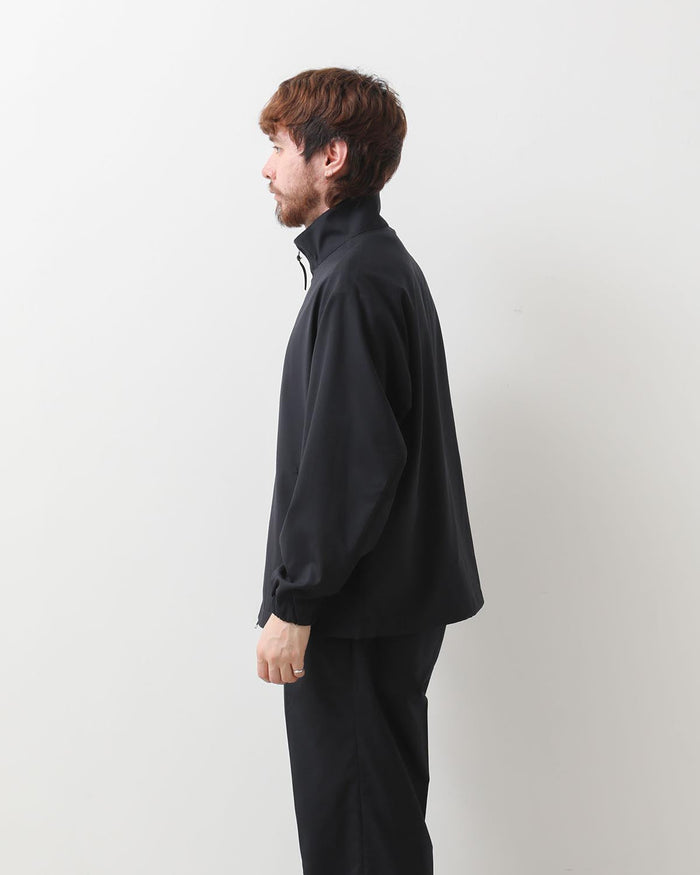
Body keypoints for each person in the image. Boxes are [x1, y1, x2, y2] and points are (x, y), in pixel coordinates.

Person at [254, 67, 484, 875]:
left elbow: (352, 462)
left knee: (357, 838)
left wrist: (296, 601)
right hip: (372, 608)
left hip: (350, 613)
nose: (267, 167)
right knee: (375, 824)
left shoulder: (355, 280)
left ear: (332, 156)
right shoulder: (372, 267)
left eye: (280, 146)